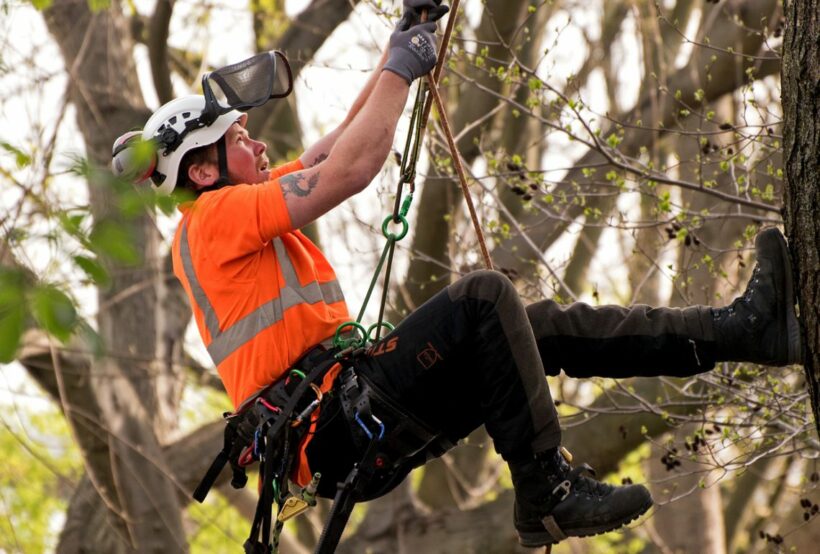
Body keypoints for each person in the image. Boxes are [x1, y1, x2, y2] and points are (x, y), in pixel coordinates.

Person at [113, 0, 804, 547]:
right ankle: (545, 493)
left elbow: (338, 148)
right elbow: (353, 172)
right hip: (335, 426)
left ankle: (741, 332)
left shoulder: (236, 208)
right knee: (482, 299)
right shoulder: (211, 221)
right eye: (239, 139)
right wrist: (402, 69)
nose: (258, 144)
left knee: (534, 329)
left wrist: (401, 47)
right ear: (201, 170)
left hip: (353, 412)